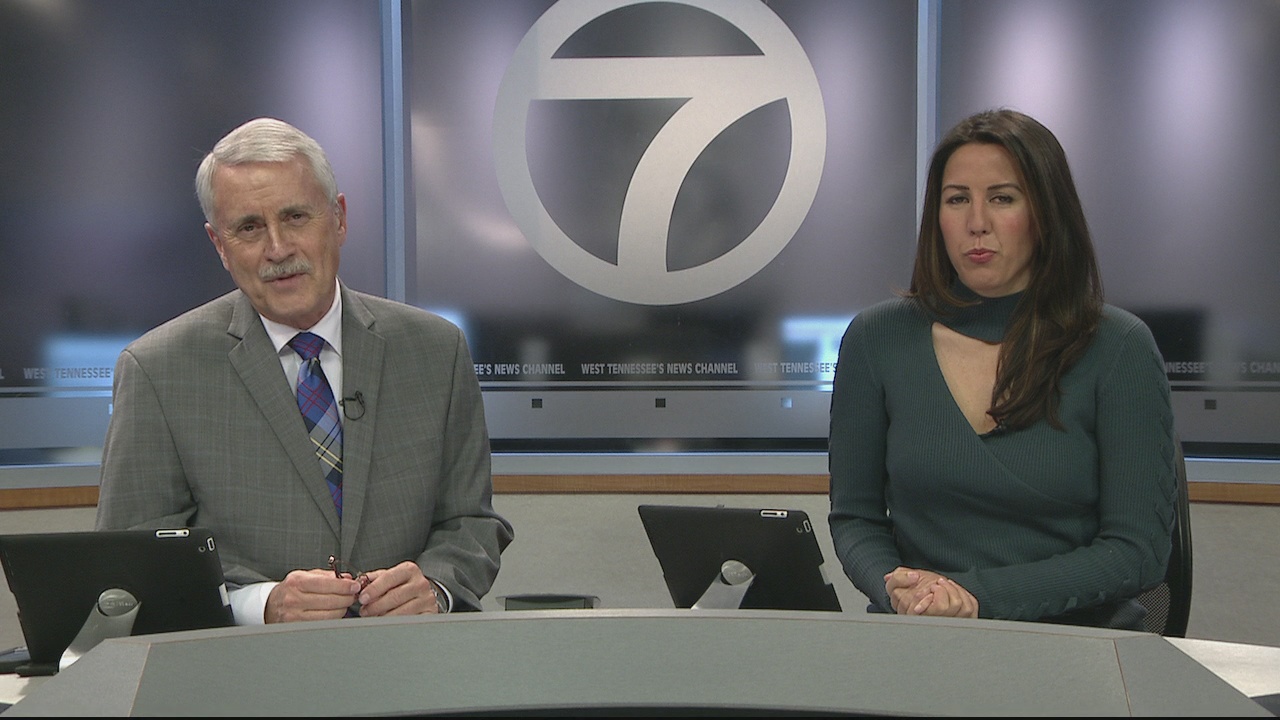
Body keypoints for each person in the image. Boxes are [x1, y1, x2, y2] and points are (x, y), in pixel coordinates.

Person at [96, 117, 513, 623]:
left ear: (339, 219)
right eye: (249, 228)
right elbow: (134, 562)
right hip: (243, 667)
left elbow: (471, 522)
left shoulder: (436, 352)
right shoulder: (157, 371)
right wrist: (262, 604)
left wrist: (436, 587)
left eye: (295, 217)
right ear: (219, 245)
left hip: (410, 657)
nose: (278, 249)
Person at [827, 108, 1176, 630]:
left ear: (1046, 214)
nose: (976, 223)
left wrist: (975, 597)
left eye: (1002, 198)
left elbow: (1137, 551)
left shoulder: (1118, 347)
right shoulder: (876, 340)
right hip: (919, 636)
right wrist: (901, 590)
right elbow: (856, 517)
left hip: (1074, 643)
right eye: (957, 199)